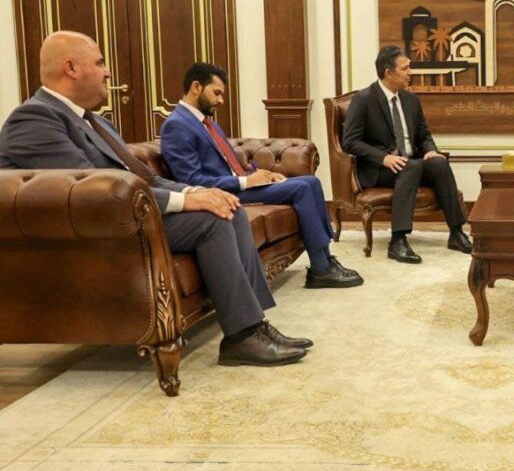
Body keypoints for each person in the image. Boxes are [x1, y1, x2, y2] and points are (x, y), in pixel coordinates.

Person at [0, 31, 311, 367]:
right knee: (212, 220)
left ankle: (252, 326)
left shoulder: (95, 121)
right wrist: (186, 203)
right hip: (93, 233)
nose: (108, 72)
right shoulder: (34, 119)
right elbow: (91, 190)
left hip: (128, 217)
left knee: (228, 206)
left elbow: (144, 178)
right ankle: (242, 337)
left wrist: (197, 192)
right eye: (100, 63)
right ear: (71, 68)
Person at [160, 63, 363, 289]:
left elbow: (229, 164)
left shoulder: (207, 123)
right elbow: (191, 181)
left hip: (238, 185)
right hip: (222, 194)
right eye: (216, 93)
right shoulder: (176, 125)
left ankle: (325, 258)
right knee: (303, 188)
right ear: (196, 87)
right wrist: (245, 182)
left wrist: (259, 174)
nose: (221, 100)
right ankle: (321, 268)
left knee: (312, 182)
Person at [342, 45, 471, 264]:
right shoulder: (364, 99)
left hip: (412, 163)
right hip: (381, 169)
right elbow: (350, 142)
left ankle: (456, 233)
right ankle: (398, 240)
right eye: (405, 68)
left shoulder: (411, 100)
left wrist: (430, 150)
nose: (410, 73)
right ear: (388, 73)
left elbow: (424, 135)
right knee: (410, 166)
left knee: (439, 163)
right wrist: (383, 158)